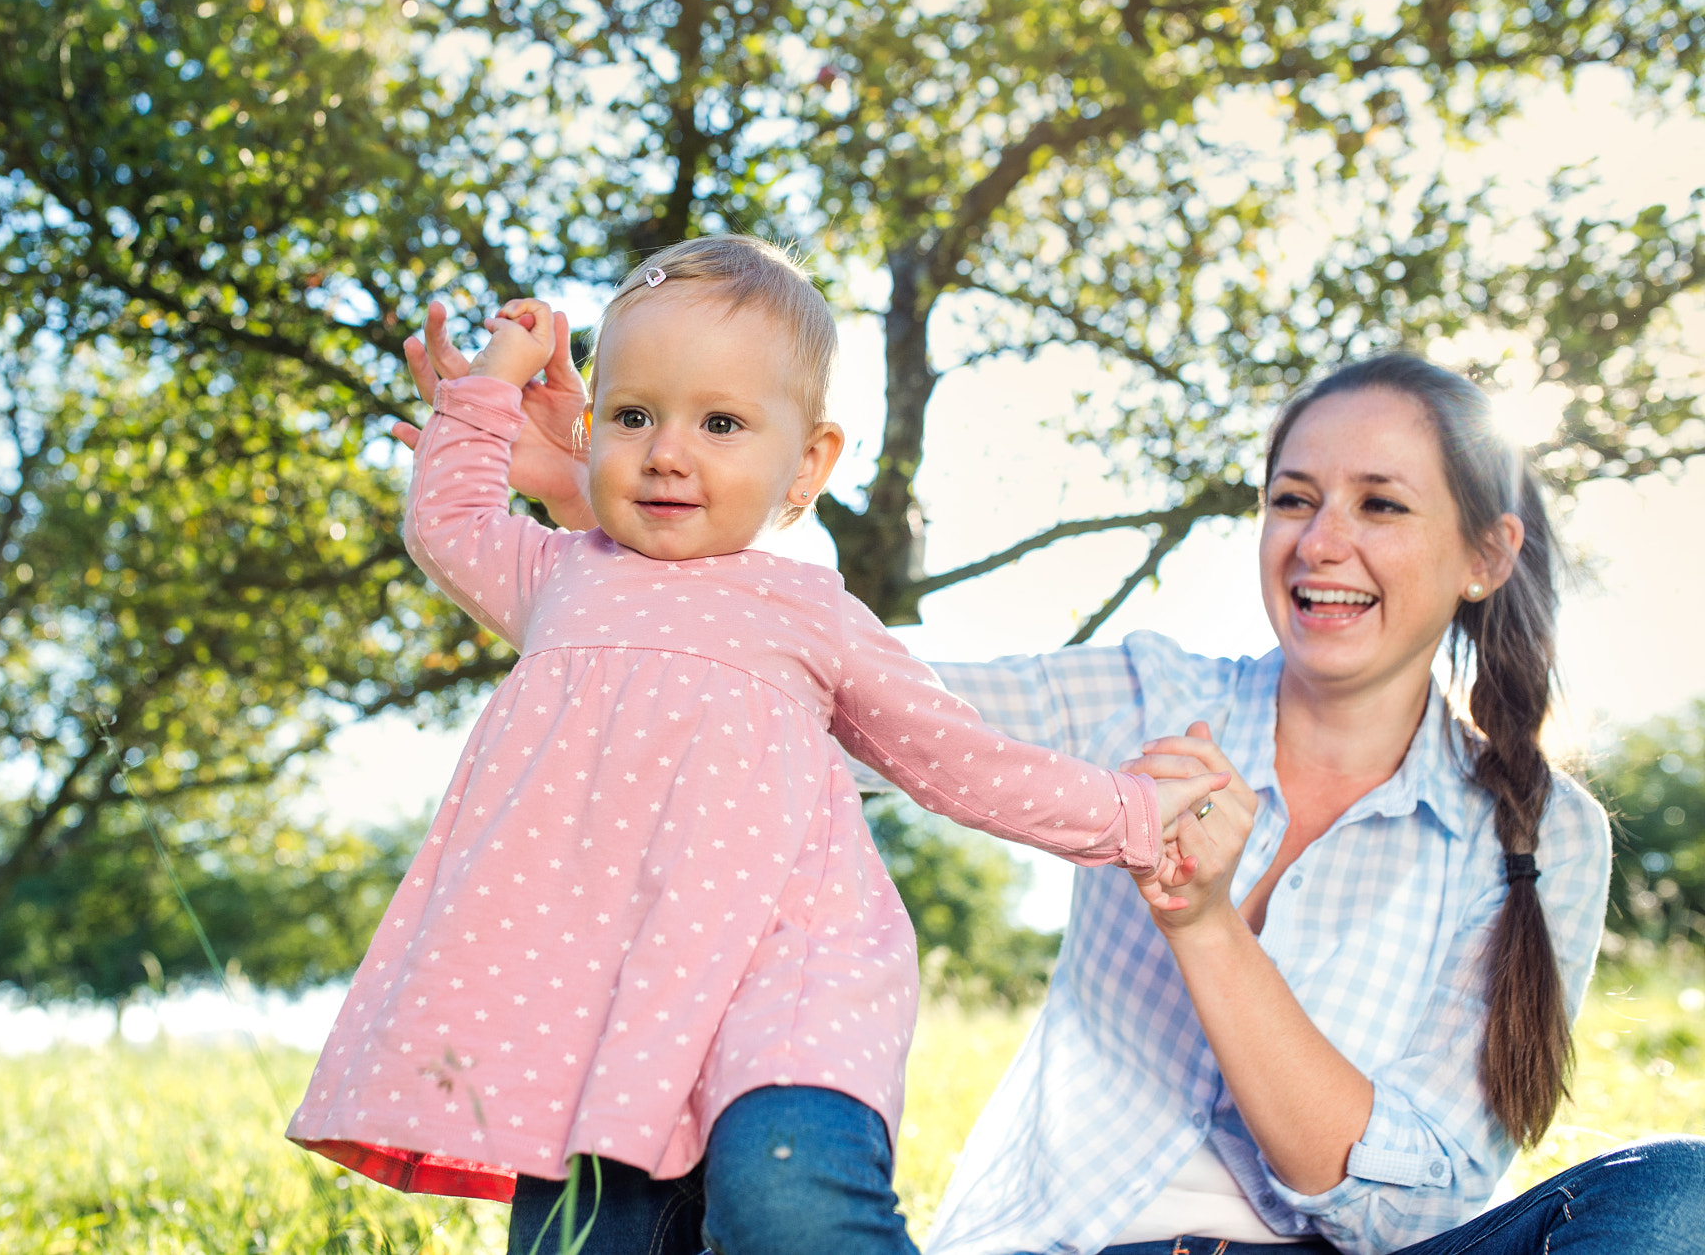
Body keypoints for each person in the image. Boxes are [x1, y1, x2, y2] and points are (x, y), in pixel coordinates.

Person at [432, 343, 1705, 1254]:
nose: (1321, 543)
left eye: (1380, 506)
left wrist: (1205, 926)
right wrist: (620, 532)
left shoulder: (1539, 836)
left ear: (1484, 553)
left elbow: (1408, 1206)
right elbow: (822, 705)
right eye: (1290, 500)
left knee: (1674, 1200)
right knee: (687, 1072)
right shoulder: (1140, 694)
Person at [286, 235, 1227, 1255]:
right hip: (609, 1003)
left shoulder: (807, 609)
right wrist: (488, 393)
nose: (666, 451)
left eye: (721, 422)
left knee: (787, 1204)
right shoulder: (562, 578)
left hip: (786, 980)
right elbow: (448, 520)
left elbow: (956, 758)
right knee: (581, 1242)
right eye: (632, 415)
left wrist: (1127, 814)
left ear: (807, 464)